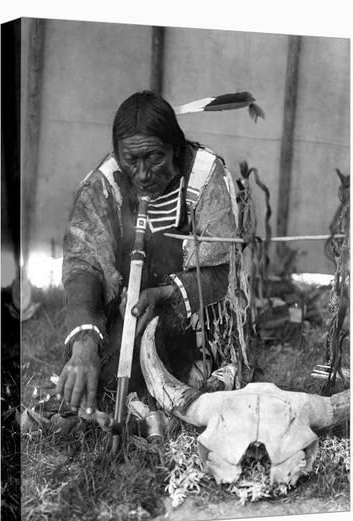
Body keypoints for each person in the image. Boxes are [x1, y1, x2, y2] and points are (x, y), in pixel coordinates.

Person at [56, 90, 238, 416]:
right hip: (126, 306)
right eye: (132, 160)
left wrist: (165, 293)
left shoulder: (203, 175)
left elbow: (221, 271)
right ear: (117, 154)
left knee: (158, 376)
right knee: (105, 372)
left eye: (154, 157)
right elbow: (84, 263)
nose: (142, 174)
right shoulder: (105, 182)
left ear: (175, 148)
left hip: (190, 313)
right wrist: (84, 344)